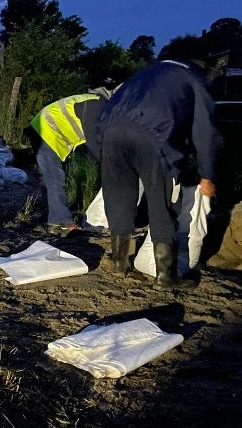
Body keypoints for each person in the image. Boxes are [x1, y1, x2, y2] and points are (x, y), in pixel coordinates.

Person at [94, 56, 221, 289]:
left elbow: (110, 103)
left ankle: (120, 262)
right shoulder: (194, 78)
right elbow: (205, 131)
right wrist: (207, 174)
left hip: (111, 131)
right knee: (160, 201)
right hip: (154, 135)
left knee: (119, 196)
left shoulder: (147, 72)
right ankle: (165, 277)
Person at [28, 90, 111, 234]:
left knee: (57, 178)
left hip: (53, 134)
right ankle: (59, 222)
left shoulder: (100, 106)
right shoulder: (95, 106)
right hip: (43, 131)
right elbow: (94, 143)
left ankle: (59, 217)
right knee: (55, 178)